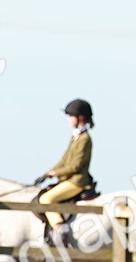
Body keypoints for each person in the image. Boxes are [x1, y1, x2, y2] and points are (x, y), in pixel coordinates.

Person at [37, 98, 96, 245]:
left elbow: (75, 166)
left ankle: (60, 229)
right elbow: (64, 160)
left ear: (80, 117)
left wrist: (56, 173)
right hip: (68, 179)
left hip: (77, 181)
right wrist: (49, 172)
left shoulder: (85, 139)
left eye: (71, 116)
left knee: (46, 199)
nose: (68, 119)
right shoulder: (75, 137)